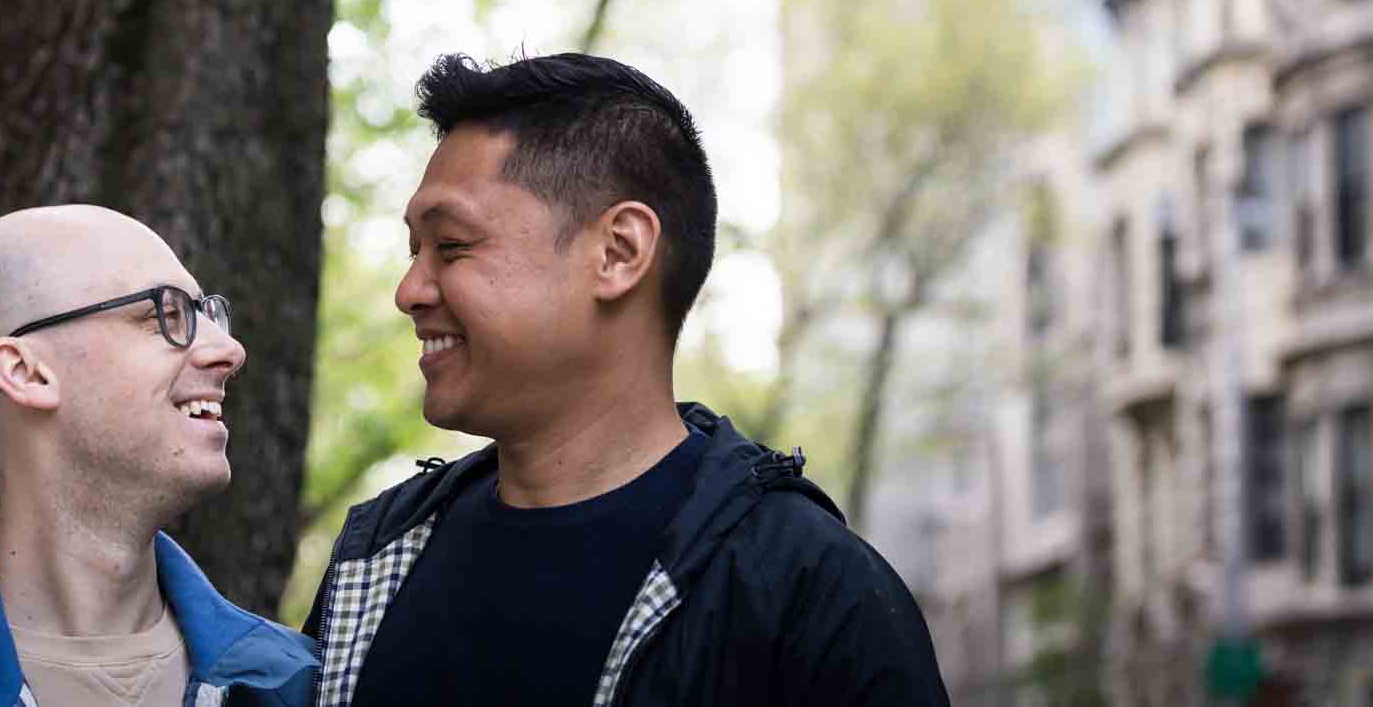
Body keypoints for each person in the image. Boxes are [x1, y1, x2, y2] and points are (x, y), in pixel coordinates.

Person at [304, 53, 950, 706]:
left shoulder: (808, 593)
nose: (409, 290)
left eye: (452, 246)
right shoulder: (376, 565)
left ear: (618, 252)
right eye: (412, 251)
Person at [0, 204, 315, 707]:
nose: (230, 350)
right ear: (25, 373)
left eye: (206, 314)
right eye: (165, 314)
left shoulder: (318, 687)